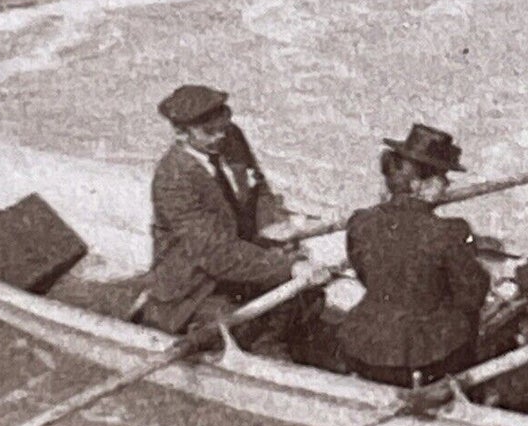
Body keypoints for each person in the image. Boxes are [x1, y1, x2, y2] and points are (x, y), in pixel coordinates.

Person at [140, 83, 323, 348]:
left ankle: (278, 346)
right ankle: (263, 358)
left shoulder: (231, 138)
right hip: (194, 286)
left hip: (239, 263)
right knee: (241, 325)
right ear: (181, 133)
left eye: (223, 127)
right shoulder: (173, 179)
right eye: (209, 132)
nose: (220, 137)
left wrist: (281, 230)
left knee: (308, 298)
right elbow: (215, 253)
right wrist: (288, 267)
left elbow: (258, 193)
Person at [340, 124, 492, 388]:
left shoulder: (361, 222)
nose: (446, 185)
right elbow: (472, 296)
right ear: (422, 184)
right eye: (443, 177)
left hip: (363, 343)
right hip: (421, 354)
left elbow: (366, 275)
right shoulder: (450, 231)